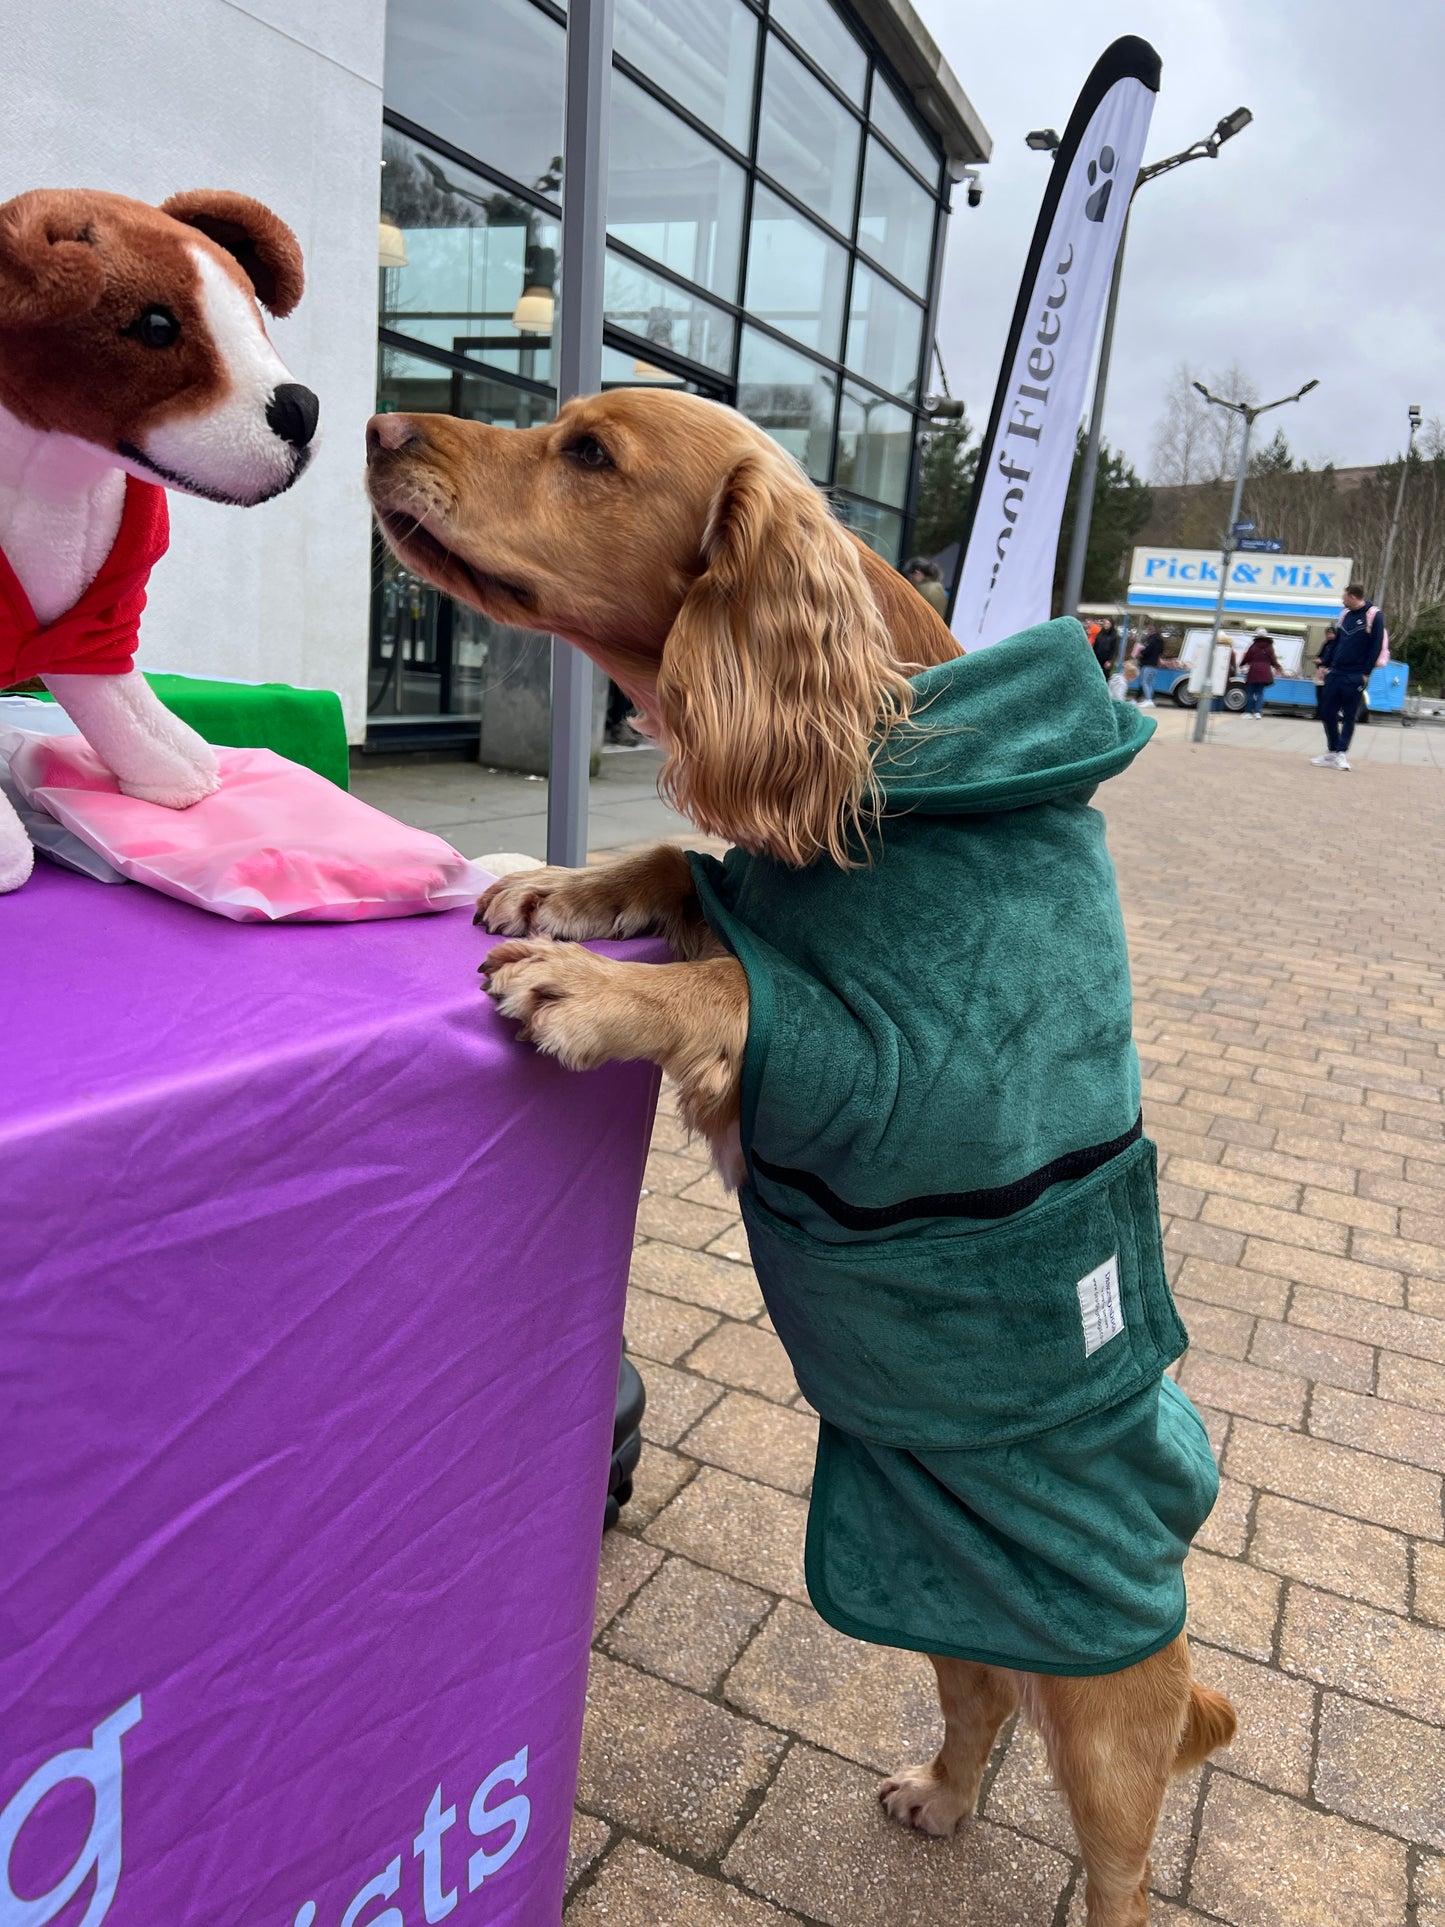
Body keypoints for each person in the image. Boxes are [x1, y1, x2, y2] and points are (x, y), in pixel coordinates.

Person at [1312, 585, 1385, 770]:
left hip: (1355, 674)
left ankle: (1341, 753)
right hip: (1336, 672)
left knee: (1350, 715)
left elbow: (1376, 646)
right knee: (1327, 711)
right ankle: (1333, 750)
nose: (1342, 600)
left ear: (1353, 596)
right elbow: (1335, 642)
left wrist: (1366, 673)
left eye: (1344, 597)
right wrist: (1324, 665)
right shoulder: (1345, 614)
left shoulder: (1374, 615)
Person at [1239, 631, 1282, 718]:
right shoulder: (1269, 647)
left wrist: (1241, 664)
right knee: (1260, 693)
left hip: (1253, 672)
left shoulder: (1253, 646)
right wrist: (1278, 666)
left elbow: (1248, 657)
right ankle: (1258, 712)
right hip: (1265, 672)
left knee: (1250, 692)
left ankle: (1248, 712)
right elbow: (1273, 659)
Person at [1134, 623, 1167, 708]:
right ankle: (1150, 699)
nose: (1148, 631)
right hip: (1154, 664)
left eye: (1149, 629)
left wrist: (1141, 653)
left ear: (1152, 630)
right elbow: (1161, 652)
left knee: (1145, 681)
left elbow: (1147, 650)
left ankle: (1148, 700)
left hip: (1147, 663)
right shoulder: (1160, 640)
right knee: (1151, 683)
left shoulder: (1151, 640)